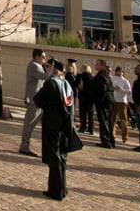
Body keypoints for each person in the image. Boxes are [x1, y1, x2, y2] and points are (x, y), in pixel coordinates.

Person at [33, 58, 75, 201]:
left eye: (48, 67)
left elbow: (38, 99)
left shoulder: (50, 83)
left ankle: (55, 190)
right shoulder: (66, 84)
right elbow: (69, 106)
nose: (46, 68)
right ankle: (63, 188)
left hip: (52, 123)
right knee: (62, 156)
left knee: (54, 156)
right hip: (64, 123)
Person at [19, 48, 48, 156]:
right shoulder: (34, 66)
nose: (44, 59)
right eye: (43, 57)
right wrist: (54, 70)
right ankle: (24, 147)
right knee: (29, 125)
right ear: (37, 57)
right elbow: (45, 76)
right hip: (33, 100)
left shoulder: (39, 66)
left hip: (39, 101)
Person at [92, 59, 115, 148]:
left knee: (104, 121)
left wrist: (99, 100)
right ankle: (109, 140)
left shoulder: (102, 75)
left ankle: (106, 141)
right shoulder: (105, 75)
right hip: (107, 101)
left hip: (104, 102)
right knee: (107, 121)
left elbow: (103, 89)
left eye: (97, 64)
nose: (96, 66)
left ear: (102, 66)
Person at [110, 65, 132, 145]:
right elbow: (109, 87)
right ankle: (112, 135)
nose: (119, 73)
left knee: (123, 119)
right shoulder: (113, 79)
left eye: (121, 72)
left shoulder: (125, 81)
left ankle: (124, 137)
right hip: (114, 100)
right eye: (118, 71)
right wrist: (114, 88)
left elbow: (129, 92)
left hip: (122, 101)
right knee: (113, 119)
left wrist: (121, 89)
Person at [77, 64, 95, 134]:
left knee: (83, 113)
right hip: (90, 97)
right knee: (91, 114)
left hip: (82, 96)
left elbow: (77, 85)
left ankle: (83, 127)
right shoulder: (92, 77)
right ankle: (91, 129)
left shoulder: (80, 76)